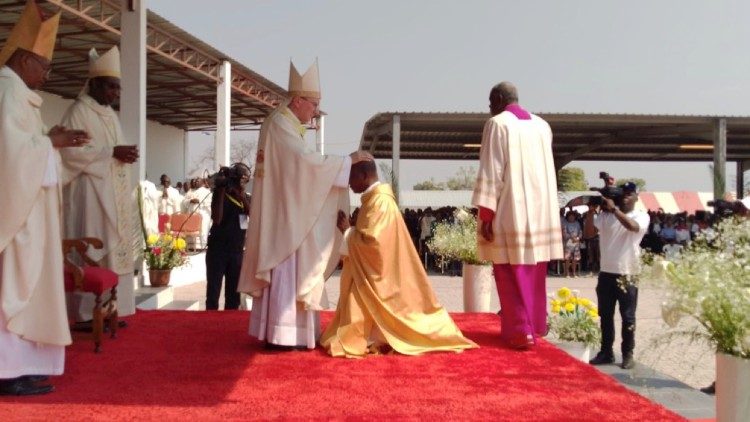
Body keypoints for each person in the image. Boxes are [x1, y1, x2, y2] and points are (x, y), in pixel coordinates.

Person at [238, 60, 373, 350]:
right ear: (297, 100)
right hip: (286, 216)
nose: (315, 111)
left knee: (295, 266)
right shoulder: (280, 124)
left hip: (289, 209)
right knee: (289, 266)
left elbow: (302, 167)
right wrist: (346, 162)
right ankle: (282, 334)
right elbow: (304, 164)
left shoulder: (288, 124)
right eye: (312, 104)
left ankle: (288, 332)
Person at [0, 0, 90, 395]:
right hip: (15, 216)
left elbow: (25, 146)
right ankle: (6, 371)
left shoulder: (18, 93)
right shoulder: (5, 90)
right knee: (12, 288)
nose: (48, 73)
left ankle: (23, 365)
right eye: (43, 64)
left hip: (29, 213)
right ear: (22, 60)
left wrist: (49, 141)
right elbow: (8, 152)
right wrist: (48, 143)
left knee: (29, 286)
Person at [321, 161, 477, 357]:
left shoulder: (381, 203)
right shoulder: (373, 201)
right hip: (367, 272)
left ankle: (381, 337)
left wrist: (347, 232)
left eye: (351, 178)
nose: (349, 184)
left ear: (364, 175)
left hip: (378, 276)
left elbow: (373, 244)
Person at [471, 81, 563, 350]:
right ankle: (535, 326)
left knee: (509, 271)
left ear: (499, 99)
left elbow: (492, 171)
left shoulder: (498, 124)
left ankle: (519, 332)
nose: (489, 110)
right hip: (541, 212)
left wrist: (486, 215)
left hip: (511, 210)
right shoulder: (542, 126)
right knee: (534, 271)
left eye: (490, 103)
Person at [60, 46, 139, 323]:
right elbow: (69, 154)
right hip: (88, 197)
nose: (115, 94)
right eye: (110, 87)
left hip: (111, 195)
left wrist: (124, 154)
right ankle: (84, 315)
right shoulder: (77, 112)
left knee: (111, 251)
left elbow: (112, 149)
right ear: (93, 83)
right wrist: (111, 153)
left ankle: (109, 310)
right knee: (89, 248)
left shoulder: (109, 114)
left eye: (118, 88)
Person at [587, 182, 649, 370]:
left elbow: (632, 227)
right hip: (606, 273)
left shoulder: (641, 215)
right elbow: (588, 232)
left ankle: (628, 353)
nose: (626, 197)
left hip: (628, 274)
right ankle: (606, 351)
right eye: (624, 193)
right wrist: (591, 211)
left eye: (630, 194)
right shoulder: (605, 216)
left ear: (637, 197)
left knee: (628, 317)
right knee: (605, 315)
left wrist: (614, 211)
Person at [205, 164, 251, 310]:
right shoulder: (221, 195)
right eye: (241, 178)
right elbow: (217, 218)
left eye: (246, 179)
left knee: (233, 298)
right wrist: (221, 190)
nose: (244, 182)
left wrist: (241, 197)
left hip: (236, 251)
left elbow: (253, 215)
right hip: (217, 251)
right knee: (213, 294)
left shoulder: (246, 198)